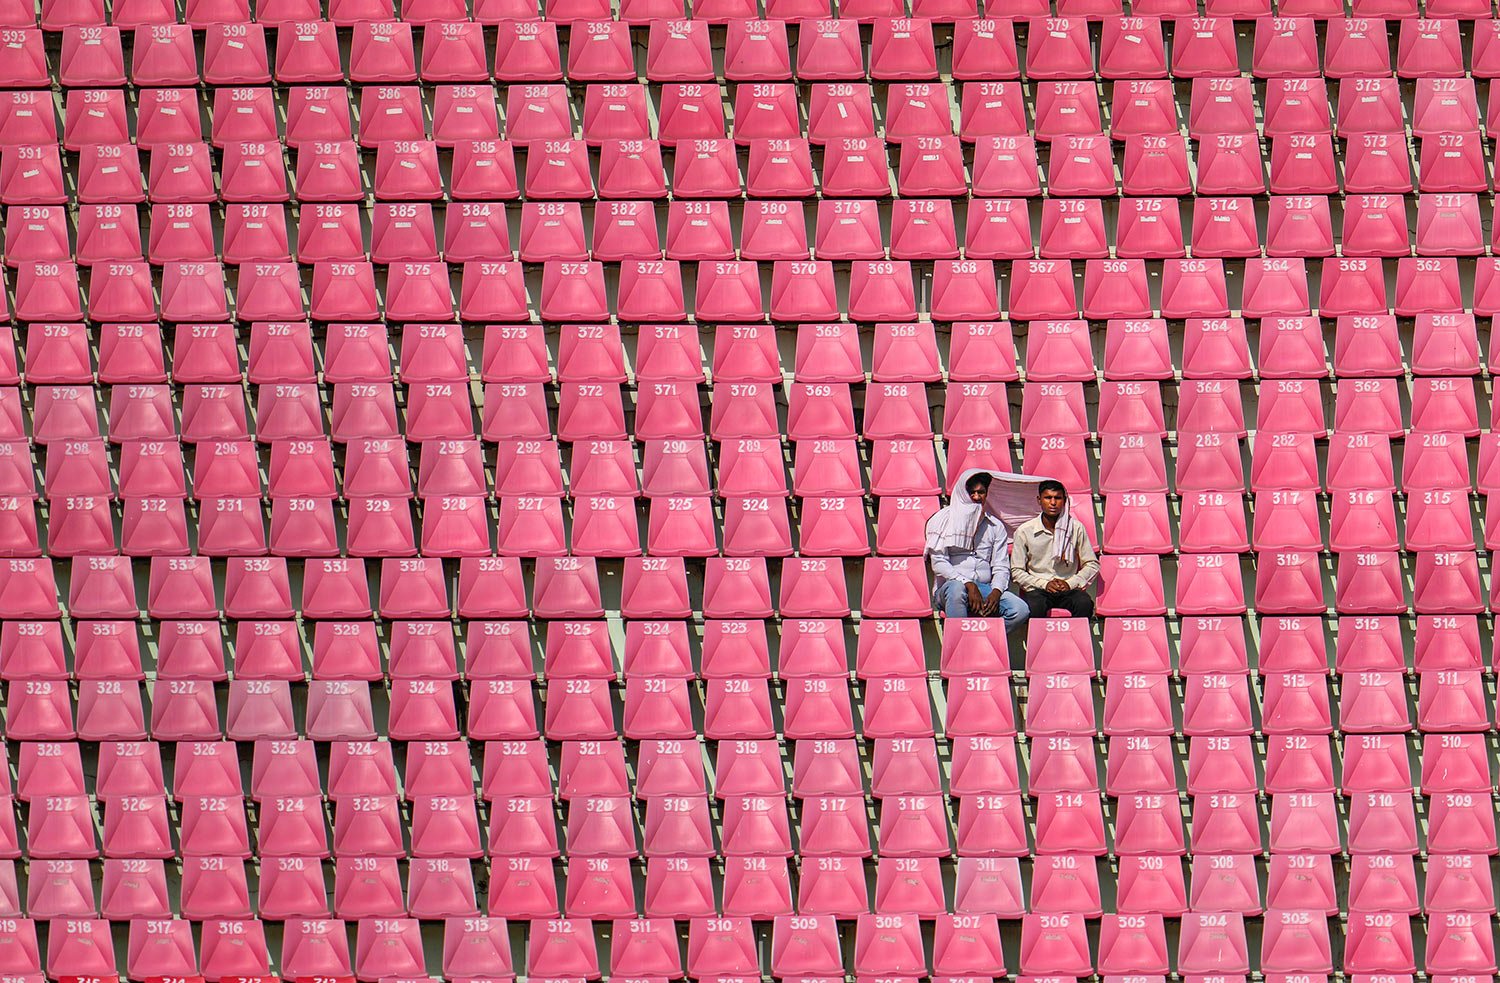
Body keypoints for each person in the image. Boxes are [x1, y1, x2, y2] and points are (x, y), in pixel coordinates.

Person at [926, 472, 1029, 631]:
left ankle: (984, 640)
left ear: (986, 494)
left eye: (980, 492)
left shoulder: (995, 526)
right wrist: (968, 584)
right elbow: (939, 563)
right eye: (971, 492)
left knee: (1020, 610)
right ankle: (960, 645)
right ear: (962, 493)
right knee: (956, 589)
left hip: (985, 588)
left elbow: (1001, 566)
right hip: (951, 589)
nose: (976, 497)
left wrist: (996, 591)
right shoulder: (942, 520)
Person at [1010, 479, 1099, 618]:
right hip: (1038, 587)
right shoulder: (1025, 531)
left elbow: (1092, 564)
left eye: (1057, 498)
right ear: (1039, 500)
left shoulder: (1075, 528)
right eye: (1048, 498)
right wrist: (1044, 584)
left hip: (1068, 587)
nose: (1053, 503)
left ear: (1064, 500)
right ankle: (1037, 640)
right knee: (1035, 606)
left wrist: (1070, 583)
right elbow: (1016, 571)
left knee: (1085, 603)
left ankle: (1078, 640)